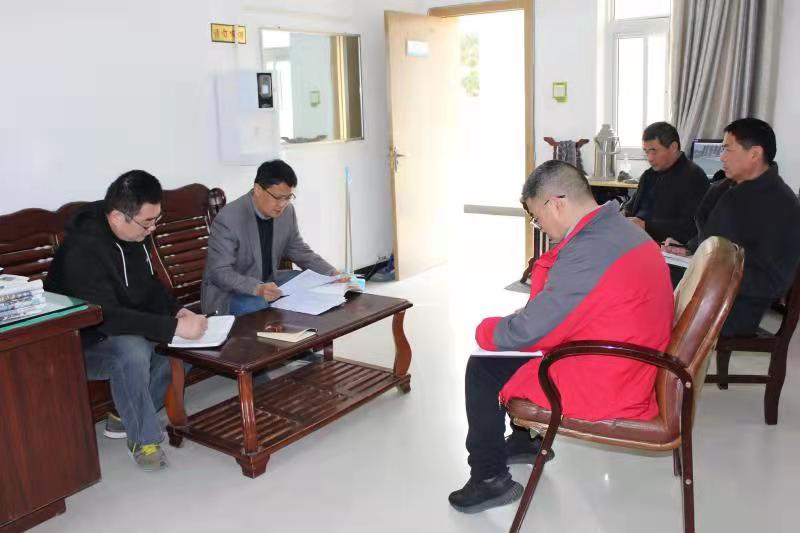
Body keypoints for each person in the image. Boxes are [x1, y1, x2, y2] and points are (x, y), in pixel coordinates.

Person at [448, 161, 674, 514]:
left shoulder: (589, 249)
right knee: (509, 352)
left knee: (483, 366)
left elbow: (532, 330)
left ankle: (488, 478)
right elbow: (563, 311)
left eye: (537, 217)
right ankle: (525, 442)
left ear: (555, 203)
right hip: (624, 353)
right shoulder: (616, 228)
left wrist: (485, 328)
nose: (541, 227)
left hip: (608, 374)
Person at [44, 170, 208, 472]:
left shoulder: (134, 233)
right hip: (79, 343)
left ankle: (124, 415)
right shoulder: (82, 250)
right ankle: (144, 440)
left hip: (120, 328)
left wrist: (176, 312)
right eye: (148, 222)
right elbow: (104, 317)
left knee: (187, 344)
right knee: (133, 350)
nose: (152, 228)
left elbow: (149, 285)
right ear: (118, 216)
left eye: (156, 219)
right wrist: (171, 327)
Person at [663, 118, 800, 336]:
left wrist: (713, 274)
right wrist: (688, 249)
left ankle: (655, 355)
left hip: (738, 304)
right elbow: (710, 236)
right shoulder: (724, 187)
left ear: (754, 154)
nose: (722, 157)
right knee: (648, 275)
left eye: (728, 149)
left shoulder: (780, 203)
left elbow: (771, 278)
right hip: (709, 285)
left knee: (650, 303)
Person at [202, 160, 340, 316]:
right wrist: (256, 288)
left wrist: (331, 273)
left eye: (288, 197)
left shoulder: (287, 212)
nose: (282, 204)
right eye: (278, 197)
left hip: (269, 282)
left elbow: (300, 251)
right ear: (258, 189)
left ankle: (308, 331)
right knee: (258, 303)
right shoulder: (229, 218)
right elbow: (219, 272)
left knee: (315, 283)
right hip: (230, 293)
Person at [624, 121, 709, 244]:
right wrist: (622, 216)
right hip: (636, 240)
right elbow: (631, 208)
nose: (650, 158)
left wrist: (646, 226)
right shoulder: (648, 175)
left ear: (673, 147)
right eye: (646, 152)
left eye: (654, 151)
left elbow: (692, 228)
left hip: (668, 247)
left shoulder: (694, 177)